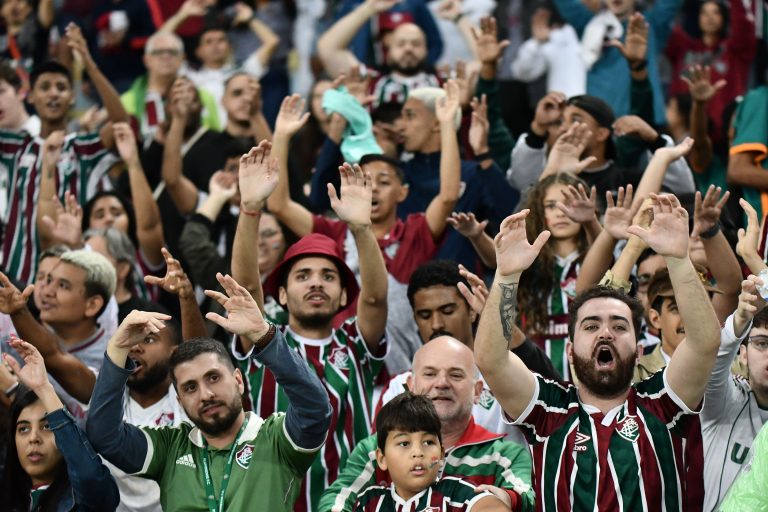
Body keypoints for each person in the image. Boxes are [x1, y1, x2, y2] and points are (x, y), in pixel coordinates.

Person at [475, 196, 721, 510]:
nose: (605, 332)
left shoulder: (662, 404)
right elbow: (491, 360)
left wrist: (678, 258)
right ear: (569, 350)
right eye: (591, 326)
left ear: (639, 349)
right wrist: (507, 276)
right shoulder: (549, 410)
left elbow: (704, 343)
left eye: (619, 326)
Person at [229, 141, 390, 511]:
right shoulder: (263, 338)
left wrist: (362, 229)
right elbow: (246, 289)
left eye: (328, 276)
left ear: (342, 295)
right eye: (303, 275)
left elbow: (377, 299)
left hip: (351, 503)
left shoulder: (354, 342)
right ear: (281, 295)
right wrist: (250, 208)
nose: (316, 283)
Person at [86, 275, 332, 511]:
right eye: (190, 387)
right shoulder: (170, 448)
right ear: (179, 401)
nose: (205, 395)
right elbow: (104, 436)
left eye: (213, 378)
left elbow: (315, 410)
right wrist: (118, 350)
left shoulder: (276, 439)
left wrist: (265, 337)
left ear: (238, 380)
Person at [268, 85, 461, 374]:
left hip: (404, 375)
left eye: (383, 181)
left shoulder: (415, 232)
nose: (373, 189)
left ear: (403, 192)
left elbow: (447, 196)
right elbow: (279, 204)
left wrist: (446, 124)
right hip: (345, 373)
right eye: (366, 181)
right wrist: (281, 136)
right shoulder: (333, 233)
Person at [319, 336, 534, 512]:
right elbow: (338, 498)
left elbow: (525, 497)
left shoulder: (505, 455)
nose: (441, 383)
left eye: (456, 375)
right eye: (430, 374)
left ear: (477, 391)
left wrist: (505, 499)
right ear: (410, 385)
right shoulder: (375, 449)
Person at [0, 24, 128, 284]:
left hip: (72, 276)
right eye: (44, 87)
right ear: (31, 98)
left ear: (72, 97)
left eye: (61, 87)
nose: (53, 93)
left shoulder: (84, 147)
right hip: (16, 274)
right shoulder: (15, 145)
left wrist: (89, 64)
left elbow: (120, 124)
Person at [0, 336, 119, 511]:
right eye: (23, 429)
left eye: (47, 426)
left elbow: (89, 476)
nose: (34, 438)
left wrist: (43, 389)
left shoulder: (86, 500)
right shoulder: (8, 498)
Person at [350, 392, 508, 511]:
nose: (418, 452)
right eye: (404, 443)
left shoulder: (457, 492)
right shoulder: (370, 501)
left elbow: (492, 507)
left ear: (441, 454)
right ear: (382, 459)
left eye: (428, 442)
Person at [160, 0, 279, 125]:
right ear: (198, 51)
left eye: (221, 40)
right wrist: (182, 14)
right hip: (202, 141)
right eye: (208, 41)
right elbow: (159, 42)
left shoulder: (243, 72)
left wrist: (251, 18)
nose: (215, 45)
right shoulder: (188, 76)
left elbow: (272, 42)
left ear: (230, 47)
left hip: (239, 140)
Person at [317, 0, 441, 107]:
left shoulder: (442, 82)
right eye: (401, 44)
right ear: (388, 47)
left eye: (416, 43)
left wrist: (460, 18)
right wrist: (368, 9)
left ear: (427, 48)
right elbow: (327, 49)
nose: (408, 49)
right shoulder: (369, 80)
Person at [665, 0, 755, 141]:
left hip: (723, 134)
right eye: (704, 13)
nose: (709, 17)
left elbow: (744, 25)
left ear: (725, 17)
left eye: (716, 12)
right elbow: (664, 18)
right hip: (682, 132)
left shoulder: (735, 50)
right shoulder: (683, 47)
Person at [120, 31, 219, 142]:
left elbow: (216, 138)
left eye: (172, 52)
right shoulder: (127, 101)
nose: (166, 56)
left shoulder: (203, 96)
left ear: (183, 58)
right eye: (158, 52)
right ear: (146, 60)